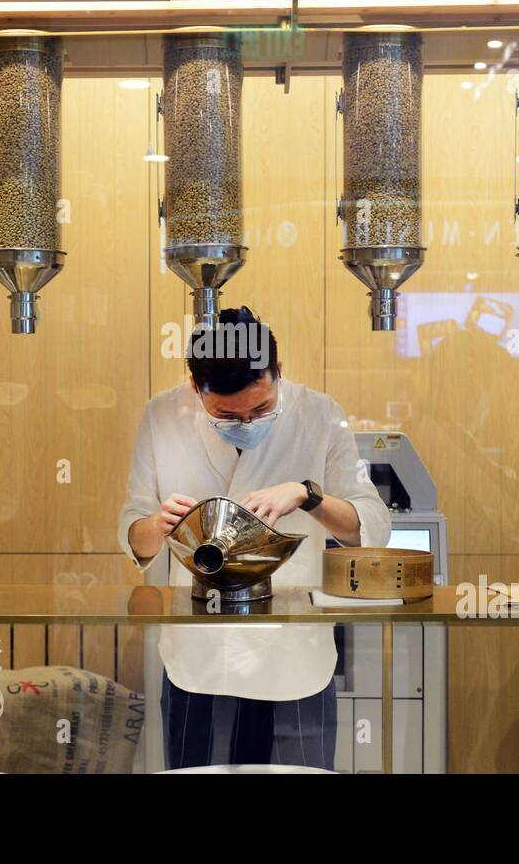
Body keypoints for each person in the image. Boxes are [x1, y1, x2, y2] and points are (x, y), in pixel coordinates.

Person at [117, 306, 390, 770]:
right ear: (193, 385)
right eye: (226, 414)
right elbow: (135, 535)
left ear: (277, 371)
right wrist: (159, 526)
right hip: (196, 658)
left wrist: (308, 495)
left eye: (260, 409)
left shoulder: (320, 415)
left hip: (293, 655)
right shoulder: (162, 415)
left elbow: (371, 527)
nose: (245, 422)